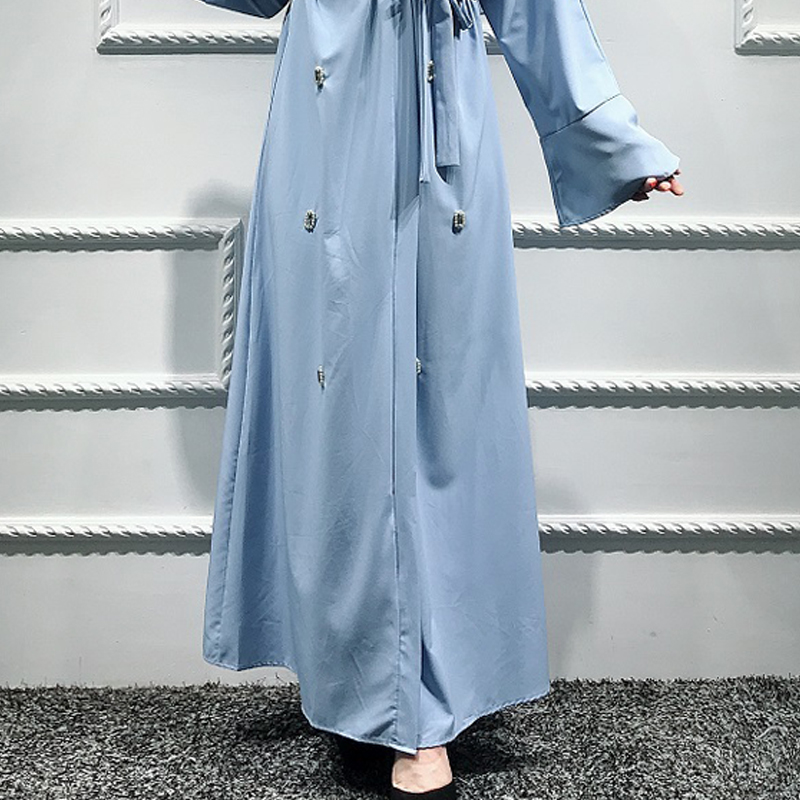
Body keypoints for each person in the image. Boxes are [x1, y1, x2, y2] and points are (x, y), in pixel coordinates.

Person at [197, 0, 684, 797]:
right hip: (323, 116)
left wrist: (612, 140)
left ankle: (418, 710)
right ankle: (353, 676)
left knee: (437, 402)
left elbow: (536, 10)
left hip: (438, 114)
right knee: (335, 401)